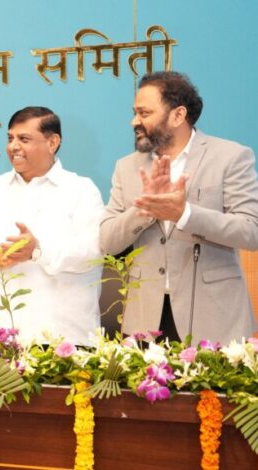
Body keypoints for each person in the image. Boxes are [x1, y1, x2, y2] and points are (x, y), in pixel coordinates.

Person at [100, 71, 258, 344]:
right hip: (145, 319)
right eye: (135, 113)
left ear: (178, 115)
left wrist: (184, 214)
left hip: (214, 316)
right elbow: (107, 241)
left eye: (144, 113)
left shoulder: (230, 157)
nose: (134, 121)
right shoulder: (126, 167)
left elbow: (251, 231)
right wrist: (145, 210)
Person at [0, 107, 104, 344]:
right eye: (10, 138)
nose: (13, 146)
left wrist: (37, 250)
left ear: (53, 142)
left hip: (60, 338)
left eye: (24, 139)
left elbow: (92, 252)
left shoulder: (81, 190)